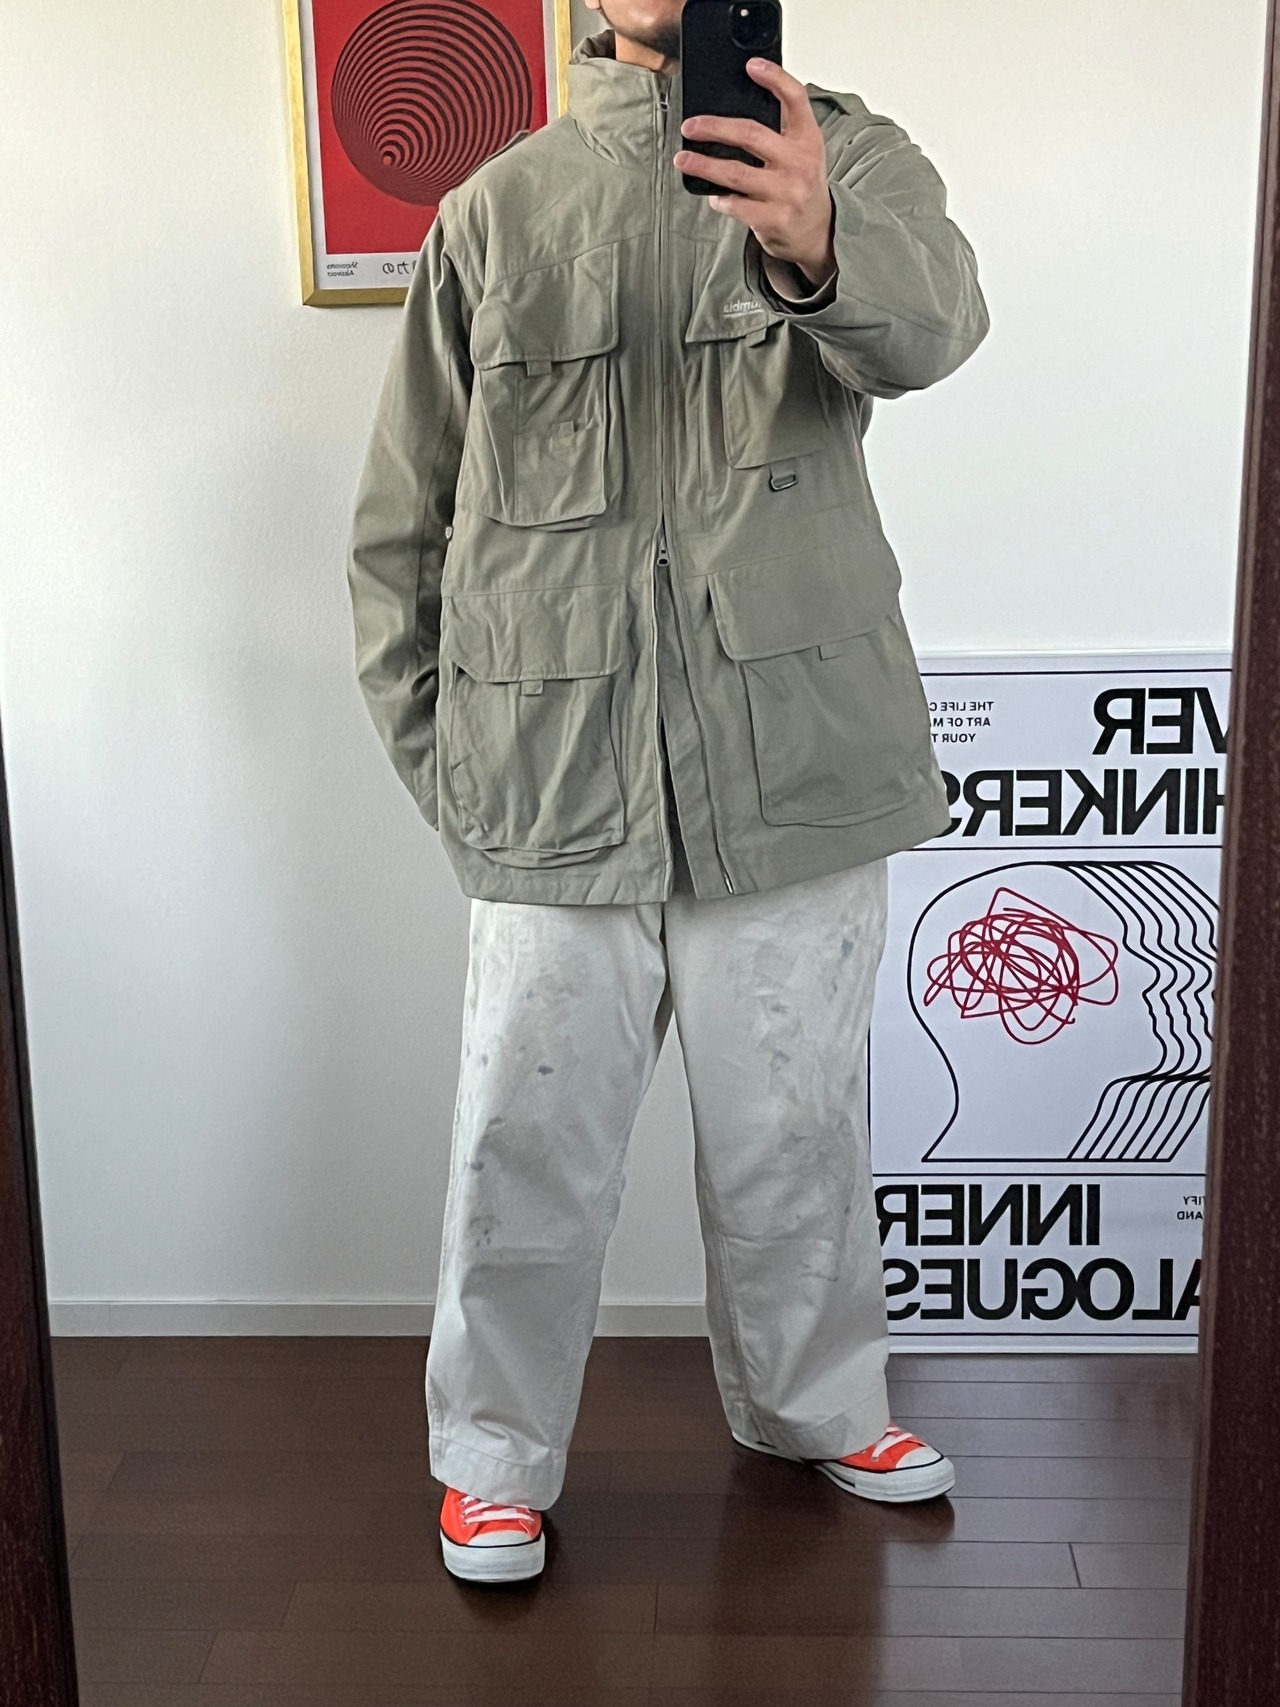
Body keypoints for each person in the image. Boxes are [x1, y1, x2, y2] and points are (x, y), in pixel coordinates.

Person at [346, 0, 989, 1585]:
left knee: (797, 1129)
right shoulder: (495, 211)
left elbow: (934, 336)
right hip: (550, 784)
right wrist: (456, 773)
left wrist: (820, 242)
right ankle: (492, 1456)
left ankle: (819, 1405)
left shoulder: (846, 154)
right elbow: (400, 533)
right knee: (524, 1142)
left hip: (797, 760)